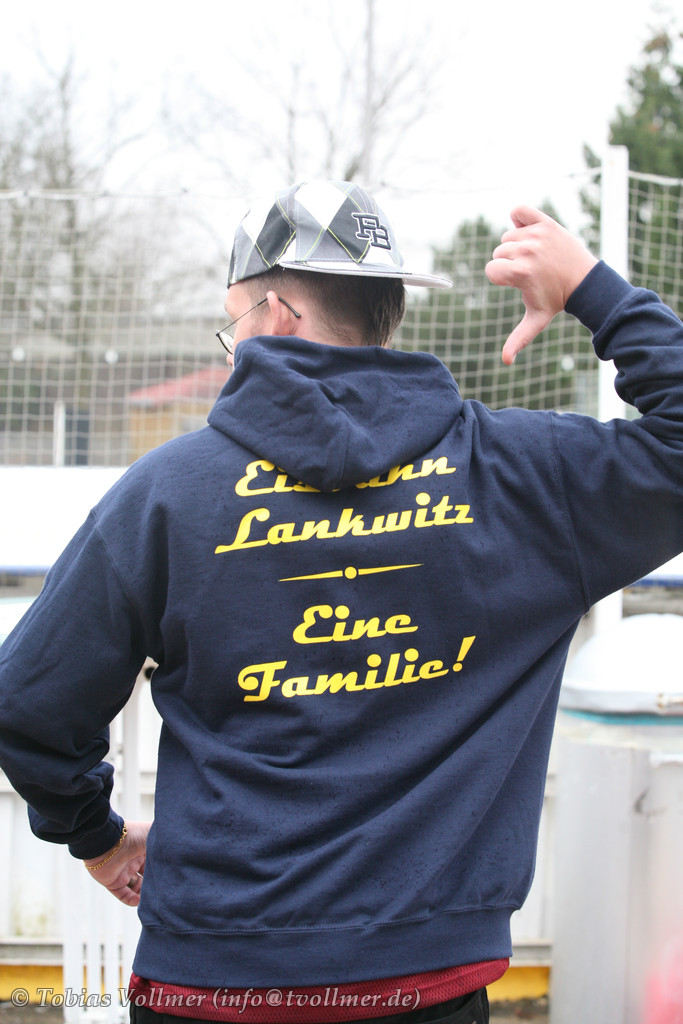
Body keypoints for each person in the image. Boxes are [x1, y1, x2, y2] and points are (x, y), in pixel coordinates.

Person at [2, 179, 683, 1024]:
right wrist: (591, 288)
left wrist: (96, 838)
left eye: (232, 325)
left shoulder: (171, 493)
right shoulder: (520, 480)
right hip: (424, 982)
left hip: (211, 980)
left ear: (277, 315)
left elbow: (27, 702)